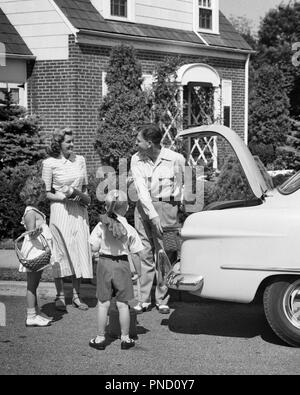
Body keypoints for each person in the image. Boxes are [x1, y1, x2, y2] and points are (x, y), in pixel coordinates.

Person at [130, 123, 186, 315]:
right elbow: (141, 189)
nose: (135, 143)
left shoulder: (175, 159)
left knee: (165, 254)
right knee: (144, 253)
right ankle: (143, 299)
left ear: (150, 143)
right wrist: (152, 215)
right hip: (144, 208)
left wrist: (174, 205)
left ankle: (162, 298)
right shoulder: (135, 160)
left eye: (139, 140)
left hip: (166, 207)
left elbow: (182, 183)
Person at [42, 127, 93, 312]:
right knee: (61, 252)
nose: (72, 144)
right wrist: (63, 197)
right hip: (60, 211)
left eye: (72, 141)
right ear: (59, 144)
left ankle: (77, 296)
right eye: (68, 142)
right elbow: (47, 193)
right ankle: (60, 296)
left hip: (79, 211)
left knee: (78, 250)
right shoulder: (49, 163)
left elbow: (85, 186)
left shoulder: (80, 160)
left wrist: (83, 198)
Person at [89, 190, 143, 350]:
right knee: (123, 304)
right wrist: (138, 272)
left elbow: (94, 247)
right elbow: (136, 254)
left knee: (103, 303)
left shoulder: (101, 225)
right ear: (126, 208)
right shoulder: (129, 228)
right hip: (122, 266)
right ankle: (125, 339)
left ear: (106, 206)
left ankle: (100, 338)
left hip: (104, 264)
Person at [19, 176, 53, 327]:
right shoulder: (30, 212)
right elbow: (31, 234)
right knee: (32, 285)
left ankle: (36, 311)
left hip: (38, 250)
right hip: (33, 252)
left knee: (35, 283)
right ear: (35, 194)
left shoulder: (33, 210)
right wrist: (39, 230)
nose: (44, 195)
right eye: (42, 193)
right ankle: (31, 316)